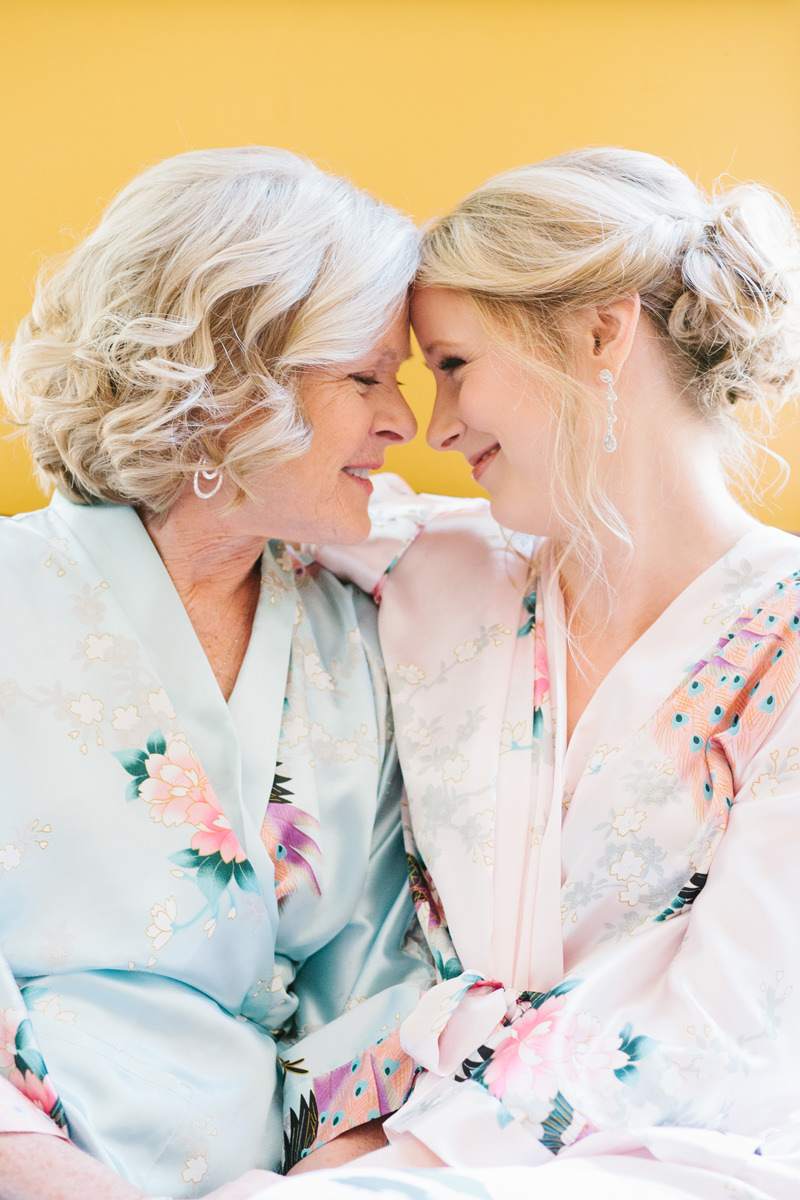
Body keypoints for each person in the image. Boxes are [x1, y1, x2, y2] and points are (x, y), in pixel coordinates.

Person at [299, 148, 800, 1199]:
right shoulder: (429, 570)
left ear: (598, 332)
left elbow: (724, 1025)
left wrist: (405, 1167)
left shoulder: (783, 641)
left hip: (684, 1160)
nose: (433, 431)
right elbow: (217, 504)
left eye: (451, 365)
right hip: (415, 1144)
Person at [0, 146, 434, 1200]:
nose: (403, 423)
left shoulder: (359, 636)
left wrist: (324, 1185)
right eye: (364, 376)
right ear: (231, 383)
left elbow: (376, 977)